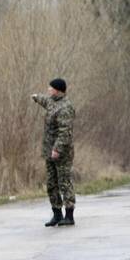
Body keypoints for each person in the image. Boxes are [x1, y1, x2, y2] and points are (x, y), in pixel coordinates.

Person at [32, 78, 76, 226]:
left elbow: (65, 132)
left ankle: (69, 215)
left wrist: (57, 149)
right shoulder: (52, 102)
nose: (48, 90)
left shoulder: (65, 107)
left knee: (64, 182)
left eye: (50, 88)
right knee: (51, 183)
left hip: (61, 152)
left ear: (58, 90)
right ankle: (57, 214)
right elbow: (45, 101)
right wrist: (36, 97)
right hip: (49, 151)